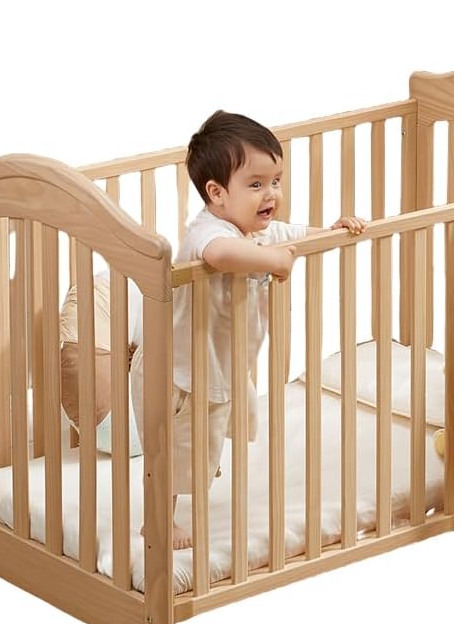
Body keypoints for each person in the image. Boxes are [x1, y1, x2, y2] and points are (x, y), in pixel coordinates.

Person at [130, 110, 365, 549]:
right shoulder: (207, 231)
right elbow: (220, 255)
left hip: (213, 365)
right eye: (255, 185)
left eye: (276, 181)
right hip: (176, 371)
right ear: (216, 193)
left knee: (199, 442)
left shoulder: (259, 229)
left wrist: (330, 231)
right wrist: (275, 261)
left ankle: (196, 473)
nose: (270, 194)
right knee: (174, 454)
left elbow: (295, 235)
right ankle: (156, 521)